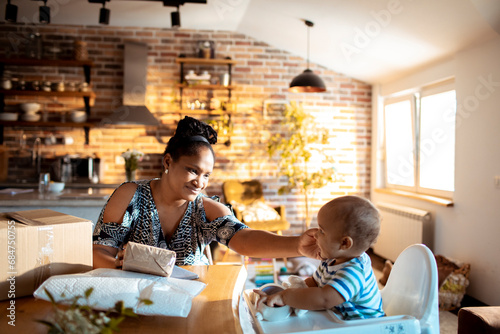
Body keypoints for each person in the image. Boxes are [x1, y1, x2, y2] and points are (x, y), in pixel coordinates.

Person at [93, 116, 319, 268]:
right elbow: (98, 251)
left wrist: (297, 244)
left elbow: (245, 239)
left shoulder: (206, 209)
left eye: (207, 175)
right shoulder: (130, 196)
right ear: (168, 161)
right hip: (136, 299)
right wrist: (120, 265)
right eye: (193, 170)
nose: (200, 182)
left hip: (194, 300)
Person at [254, 195, 385, 320]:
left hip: (366, 326)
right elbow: (315, 283)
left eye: (322, 231)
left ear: (344, 243)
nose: (315, 234)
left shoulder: (353, 272)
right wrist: (288, 292)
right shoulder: (332, 258)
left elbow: (324, 299)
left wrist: (286, 297)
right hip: (339, 318)